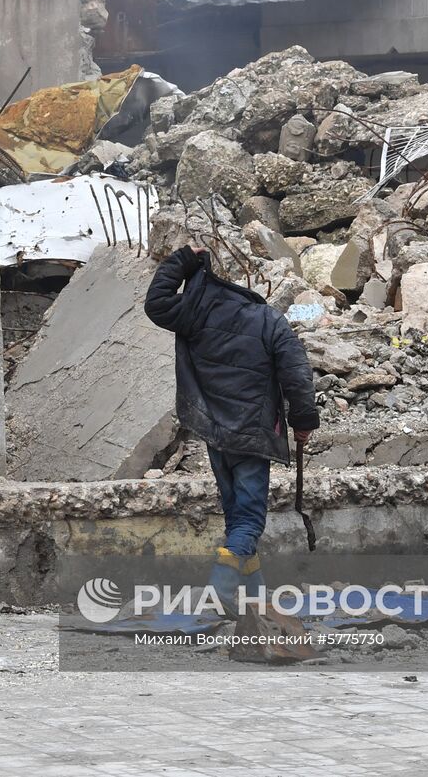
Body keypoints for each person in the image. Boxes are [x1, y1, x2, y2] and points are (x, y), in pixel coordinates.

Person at [144, 244, 319, 611]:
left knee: (237, 518)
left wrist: (181, 260)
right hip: (252, 435)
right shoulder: (268, 319)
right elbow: (297, 374)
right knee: (250, 521)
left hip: (215, 434)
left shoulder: (195, 314)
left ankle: (255, 600)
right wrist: (303, 422)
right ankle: (217, 596)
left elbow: (156, 303)